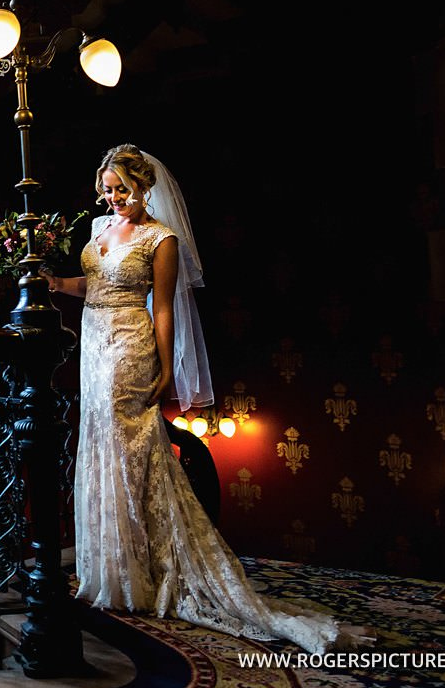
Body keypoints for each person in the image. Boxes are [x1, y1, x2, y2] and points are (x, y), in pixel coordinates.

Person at [41, 144, 371, 655]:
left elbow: (164, 309)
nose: (112, 199)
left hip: (131, 346)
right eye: (106, 190)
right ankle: (111, 568)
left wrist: (167, 367)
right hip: (93, 346)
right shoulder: (96, 231)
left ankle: (143, 574)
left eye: (121, 190)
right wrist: (58, 282)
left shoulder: (161, 238)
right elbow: (97, 283)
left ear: (143, 187)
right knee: (101, 446)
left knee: (130, 453)